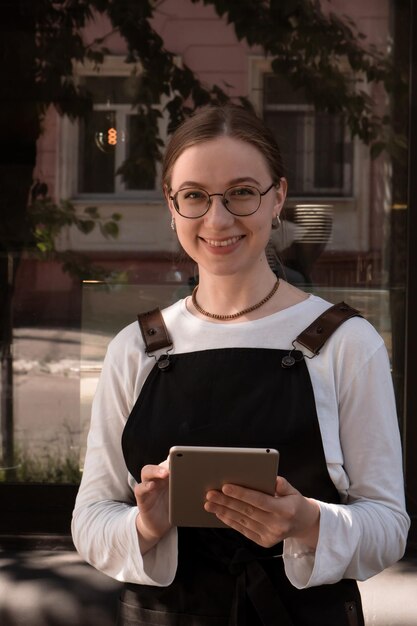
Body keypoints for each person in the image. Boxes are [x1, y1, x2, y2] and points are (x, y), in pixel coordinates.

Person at [72, 104, 410, 626]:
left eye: (241, 192)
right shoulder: (135, 349)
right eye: (194, 197)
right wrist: (145, 527)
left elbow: (389, 526)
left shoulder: (346, 343)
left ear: (278, 197)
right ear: (172, 205)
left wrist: (307, 521)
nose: (218, 218)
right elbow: (90, 521)